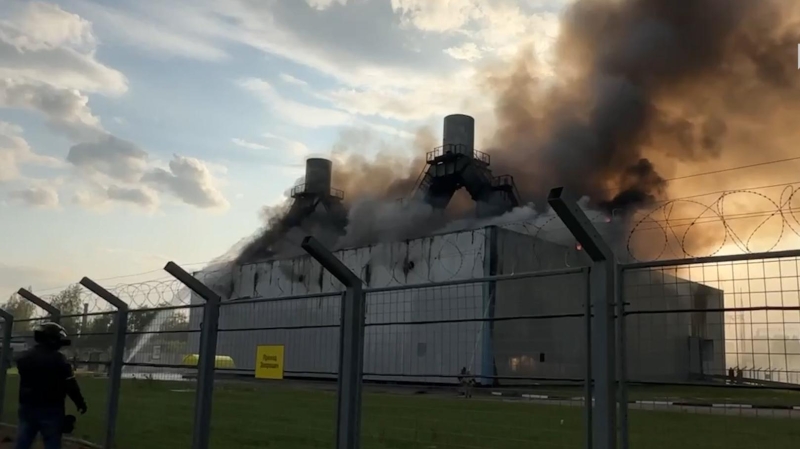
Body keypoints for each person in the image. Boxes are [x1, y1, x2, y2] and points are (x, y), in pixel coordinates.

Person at [13, 322, 87, 449]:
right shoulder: (59, 360)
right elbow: (70, 385)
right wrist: (80, 402)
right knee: (52, 441)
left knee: (23, 440)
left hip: (27, 405)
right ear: (52, 339)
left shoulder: (25, 357)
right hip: (51, 408)